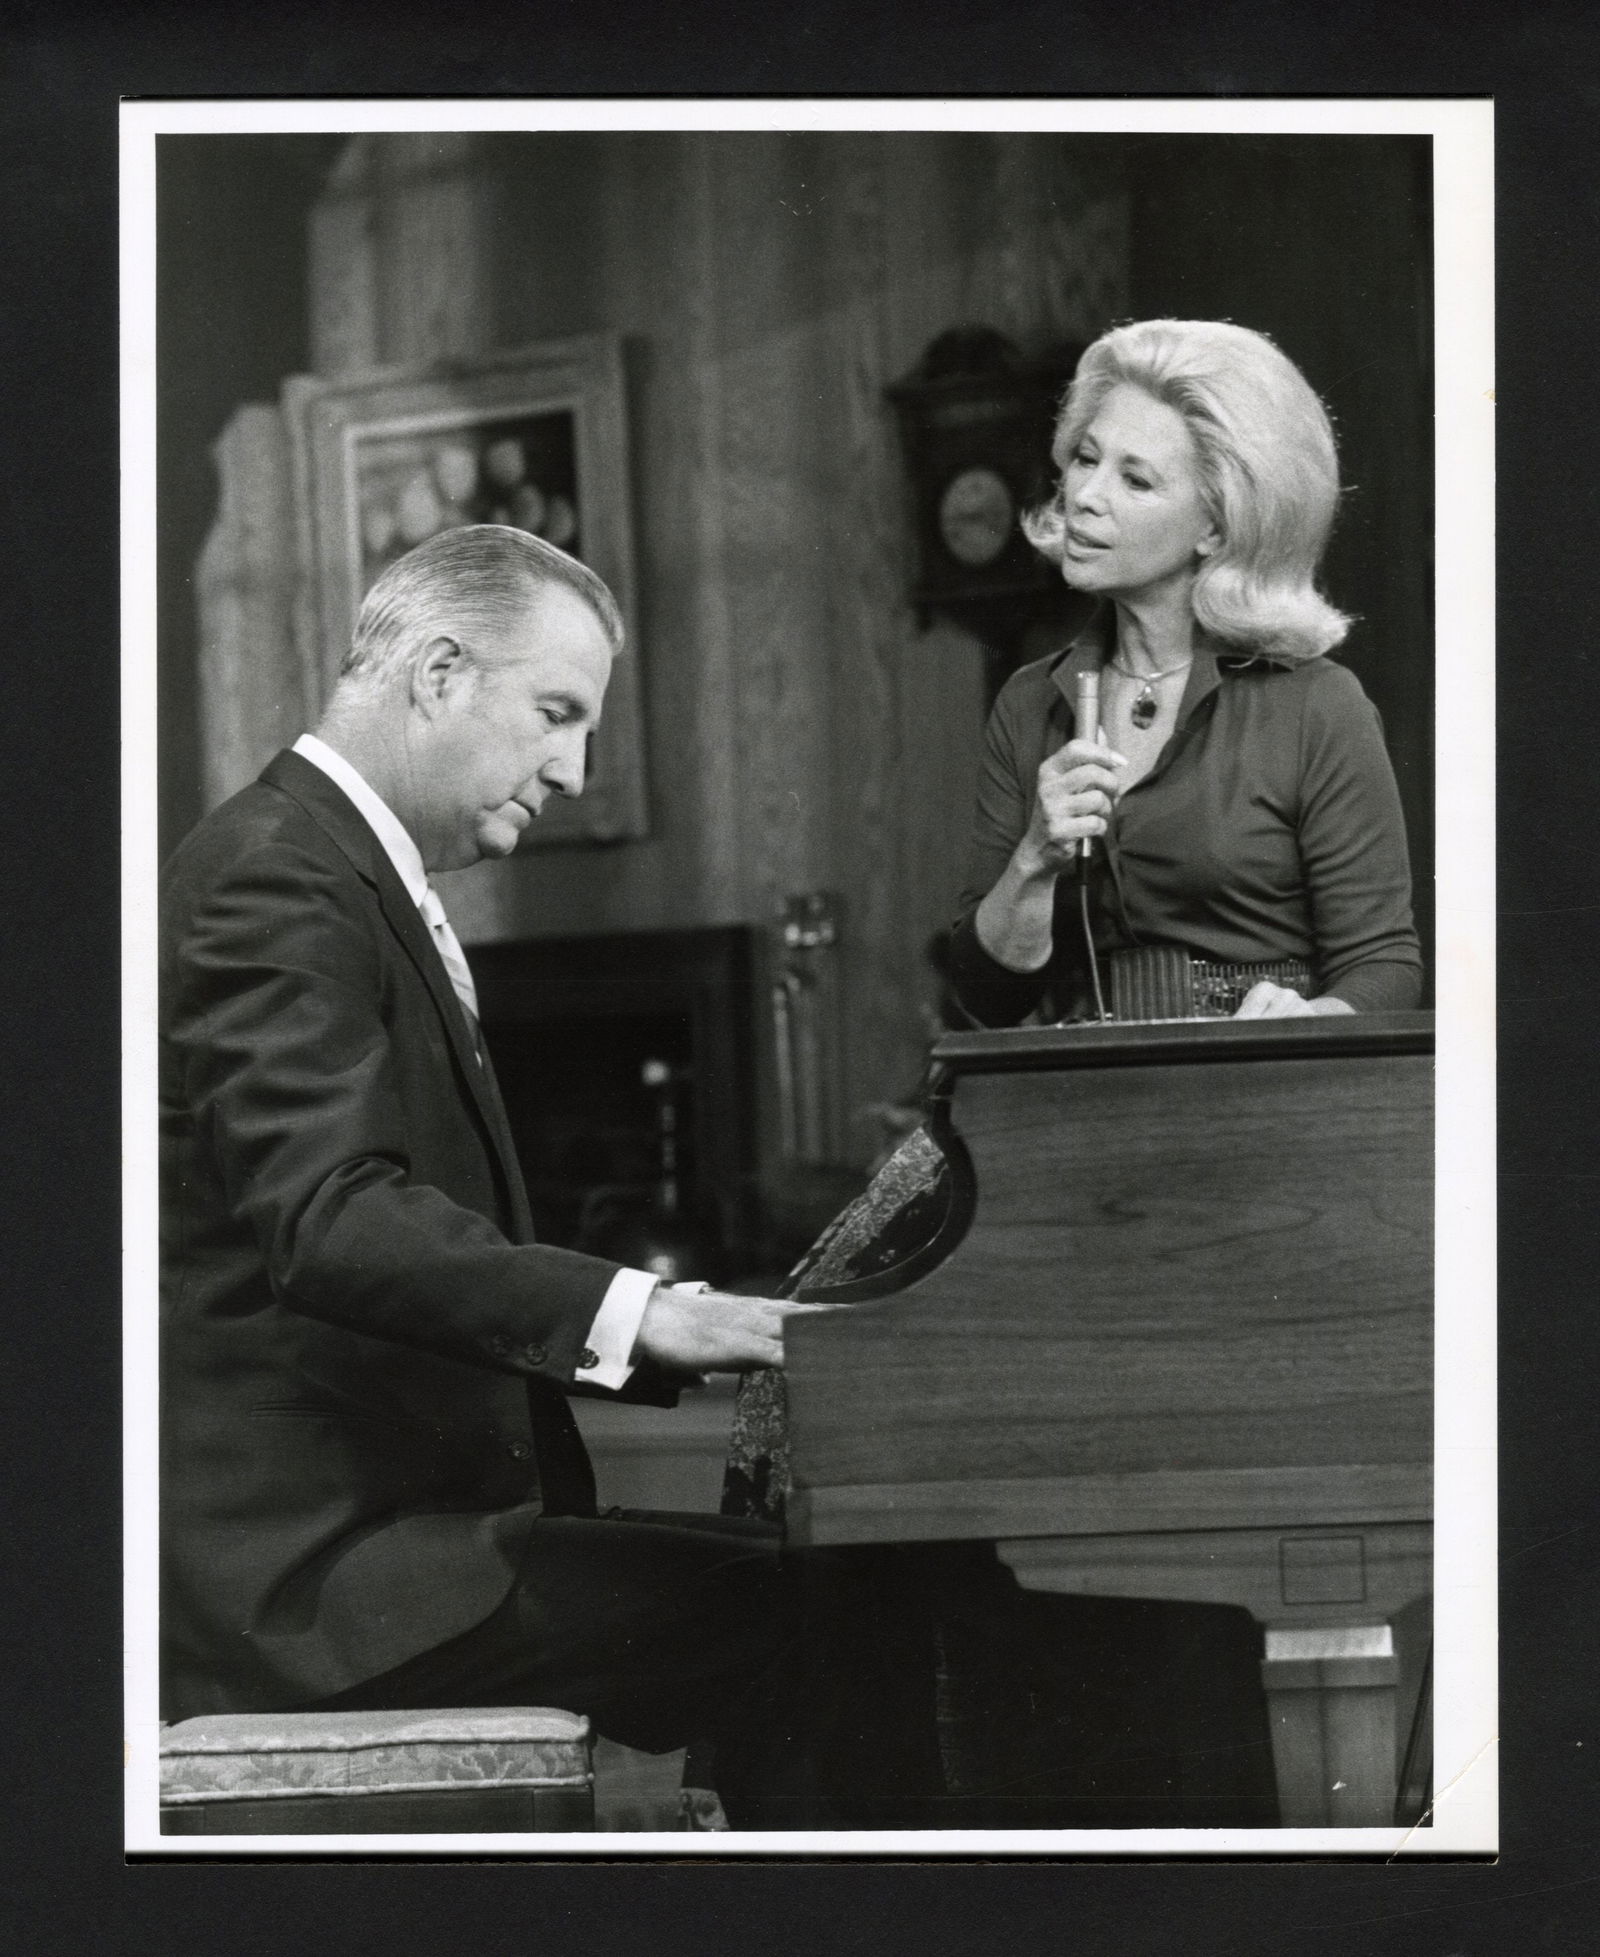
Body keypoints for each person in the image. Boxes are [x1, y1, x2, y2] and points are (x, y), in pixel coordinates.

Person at [160, 524, 827, 1809]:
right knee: (818, 1609)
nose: (574, 770)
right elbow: (335, 1221)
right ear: (440, 672)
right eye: (557, 713)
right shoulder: (274, 875)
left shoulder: (332, 867)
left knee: (798, 1585)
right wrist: (659, 1312)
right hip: (311, 1588)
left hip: (384, 1546)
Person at [947, 316, 1422, 1028]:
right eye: (1085, 457)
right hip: (1082, 1092)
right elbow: (986, 999)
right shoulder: (1028, 704)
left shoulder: (1317, 706)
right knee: (913, 1148)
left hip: (1259, 1090)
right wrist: (1035, 859)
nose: (1084, 494)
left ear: (1217, 525)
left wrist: (1310, 1016)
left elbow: (1386, 965)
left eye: (1135, 478)